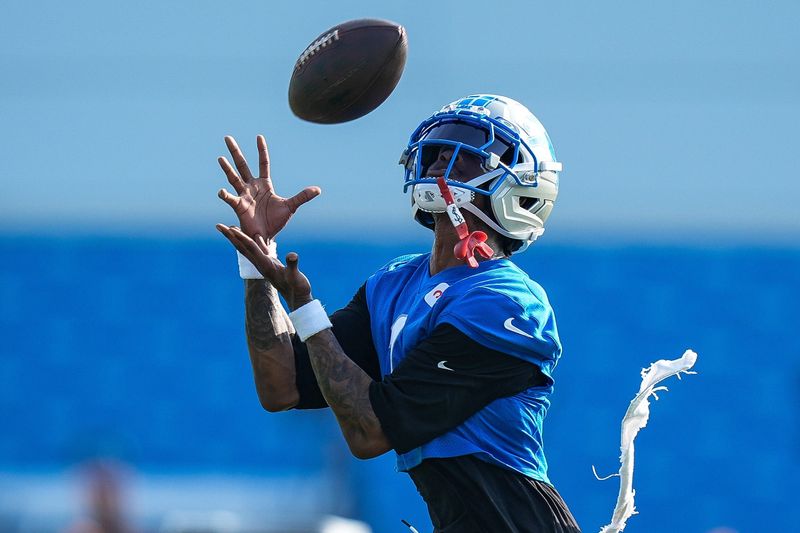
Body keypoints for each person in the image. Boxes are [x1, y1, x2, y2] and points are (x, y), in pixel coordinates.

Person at [215, 94, 580, 533]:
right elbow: (282, 386)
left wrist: (305, 309)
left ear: (521, 182)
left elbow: (369, 433)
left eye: (469, 145)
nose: (445, 154)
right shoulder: (394, 283)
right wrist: (258, 264)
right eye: (442, 144)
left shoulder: (507, 301)